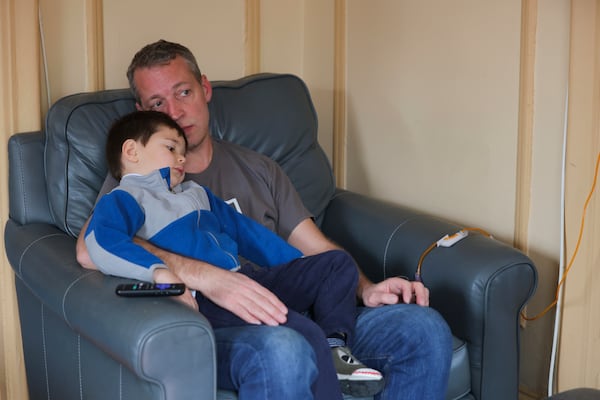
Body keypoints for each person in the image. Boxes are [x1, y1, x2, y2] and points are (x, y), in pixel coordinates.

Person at [77, 39, 453, 399]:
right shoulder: (134, 181)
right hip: (219, 323)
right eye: (158, 103)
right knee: (286, 346)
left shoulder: (259, 169)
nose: (174, 112)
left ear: (205, 88)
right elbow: (91, 249)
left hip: (295, 303)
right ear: (142, 115)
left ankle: (335, 349)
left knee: (423, 328)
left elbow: (315, 250)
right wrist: (206, 277)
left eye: (183, 92)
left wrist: (366, 289)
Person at [85, 110, 384, 399]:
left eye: (183, 151)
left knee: (335, 263)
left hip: (246, 278)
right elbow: (101, 240)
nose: (181, 157)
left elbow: (249, 235)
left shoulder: (195, 193)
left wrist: (298, 269)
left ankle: (335, 349)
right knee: (303, 333)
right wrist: (159, 271)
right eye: (171, 147)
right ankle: (327, 368)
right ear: (132, 151)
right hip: (207, 298)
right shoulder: (126, 198)